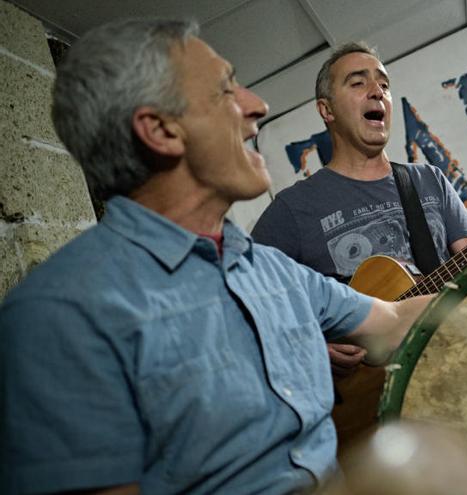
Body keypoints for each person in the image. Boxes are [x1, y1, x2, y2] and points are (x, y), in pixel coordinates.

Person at [0, 19, 431, 495]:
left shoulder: (267, 267)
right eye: (227, 91)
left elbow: (393, 321)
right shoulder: (57, 317)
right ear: (161, 131)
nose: (257, 106)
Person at [251, 42, 467, 375]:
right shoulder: (292, 209)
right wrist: (310, 343)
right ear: (326, 110)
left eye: (384, 84)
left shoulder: (428, 179)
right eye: (358, 83)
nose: (377, 91)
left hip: (459, 364)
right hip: (366, 394)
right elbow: (248, 304)